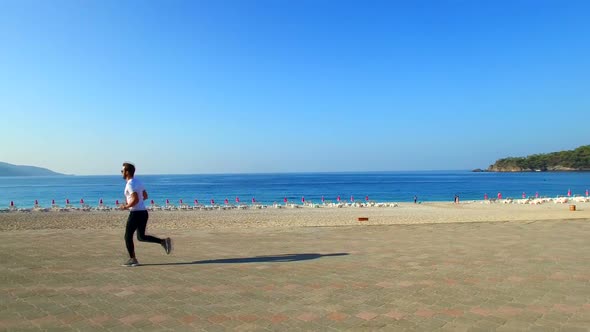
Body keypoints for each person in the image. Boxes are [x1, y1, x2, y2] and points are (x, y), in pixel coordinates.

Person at [120, 162, 172, 267]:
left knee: (127, 237)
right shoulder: (138, 182)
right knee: (141, 237)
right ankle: (163, 241)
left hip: (135, 213)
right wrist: (134, 203)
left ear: (127, 172)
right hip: (143, 212)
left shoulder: (130, 184)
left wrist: (125, 206)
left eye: (122, 171)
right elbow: (145, 195)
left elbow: (136, 199)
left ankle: (133, 259)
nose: (121, 173)